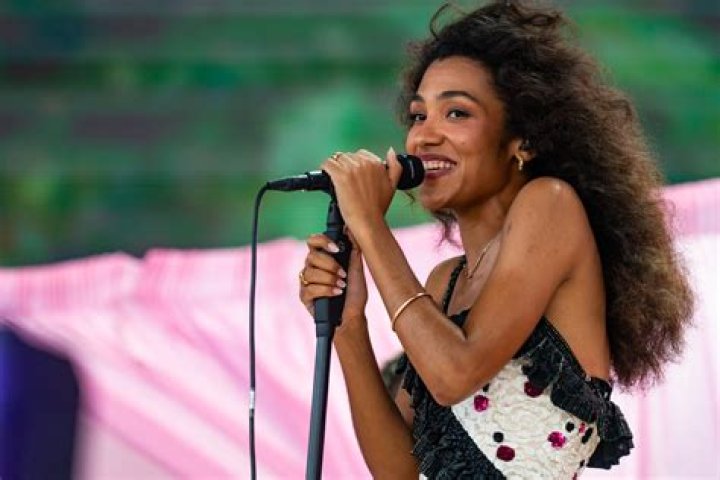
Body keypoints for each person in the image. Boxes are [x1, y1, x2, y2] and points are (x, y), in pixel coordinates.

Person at [297, 1, 694, 478]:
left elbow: (455, 374)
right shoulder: (443, 282)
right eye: (418, 116)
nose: (423, 137)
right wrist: (348, 323)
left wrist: (370, 226)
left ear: (522, 139)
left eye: (456, 113)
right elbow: (399, 472)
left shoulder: (552, 205)